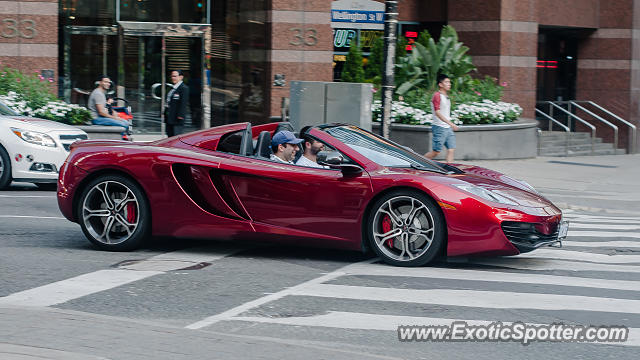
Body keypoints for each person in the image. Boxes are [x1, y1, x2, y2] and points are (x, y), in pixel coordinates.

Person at [424, 74, 459, 163]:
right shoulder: (437, 95)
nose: (449, 84)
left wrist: (449, 124)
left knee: (451, 149)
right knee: (436, 152)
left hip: (447, 127)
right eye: (446, 82)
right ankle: (417, 163)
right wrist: (451, 123)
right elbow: (437, 112)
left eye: (449, 82)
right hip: (439, 127)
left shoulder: (446, 96)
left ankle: (450, 171)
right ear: (440, 84)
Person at [88, 75, 131, 140]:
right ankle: (120, 140)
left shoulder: (101, 93)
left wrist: (112, 109)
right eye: (105, 82)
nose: (108, 84)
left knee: (125, 122)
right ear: (100, 82)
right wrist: (114, 118)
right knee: (123, 123)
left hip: (101, 117)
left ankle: (122, 139)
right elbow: (101, 112)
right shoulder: (98, 94)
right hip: (96, 118)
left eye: (108, 82)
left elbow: (104, 107)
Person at [165, 70, 189, 137]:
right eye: (172, 76)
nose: (173, 78)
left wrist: (180, 115)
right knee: (169, 136)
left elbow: (183, 103)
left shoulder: (184, 88)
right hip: (169, 117)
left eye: (175, 76)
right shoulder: (172, 88)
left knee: (176, 137)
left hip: (177, 119)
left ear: (181, 77)